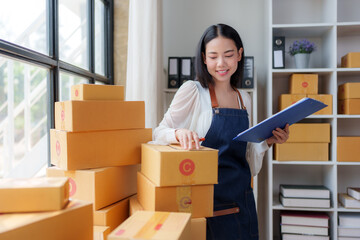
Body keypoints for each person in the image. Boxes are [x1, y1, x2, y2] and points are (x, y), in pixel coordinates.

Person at [152, 23, 289, 240]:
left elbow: (249, 163)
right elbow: (158, 133)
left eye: (228, 55)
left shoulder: (245, 99)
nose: (221, 63)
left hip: (241, 203)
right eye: (214, 56)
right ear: (204, 58)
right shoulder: (192, 91)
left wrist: (268, 141)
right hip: (204, 204)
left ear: (239, 55)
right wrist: (178, 133)